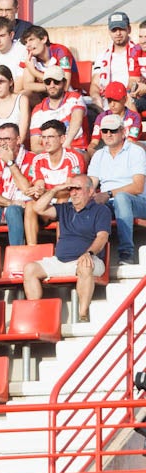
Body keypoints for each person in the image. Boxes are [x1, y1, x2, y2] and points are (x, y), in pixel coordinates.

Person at [24, 176, 112, 321]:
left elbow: (102, 237)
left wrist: (89, 253)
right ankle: (35, 316)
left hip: (89, 259)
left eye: (78, 189)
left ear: (90, 191)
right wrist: (55, 190)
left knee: (85, 265)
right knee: (30, 269)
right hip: (60, 261)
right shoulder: (65, 208)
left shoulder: (101, 210)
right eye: (71, 189)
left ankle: (83, 313)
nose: (73, 193)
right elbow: (38, 208)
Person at [88, 114, 146, 265]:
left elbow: (138, 187)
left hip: (137, 201)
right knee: (84, 202)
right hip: (109, 202)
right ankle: (86, 254)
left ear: (123, 131)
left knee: (121, 198)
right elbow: (91, 183)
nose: (108, 134)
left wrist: (108, 194)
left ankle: (126, 253)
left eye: (113, 130)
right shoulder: (99, 155)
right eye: (105, 130)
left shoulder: (136, 151)